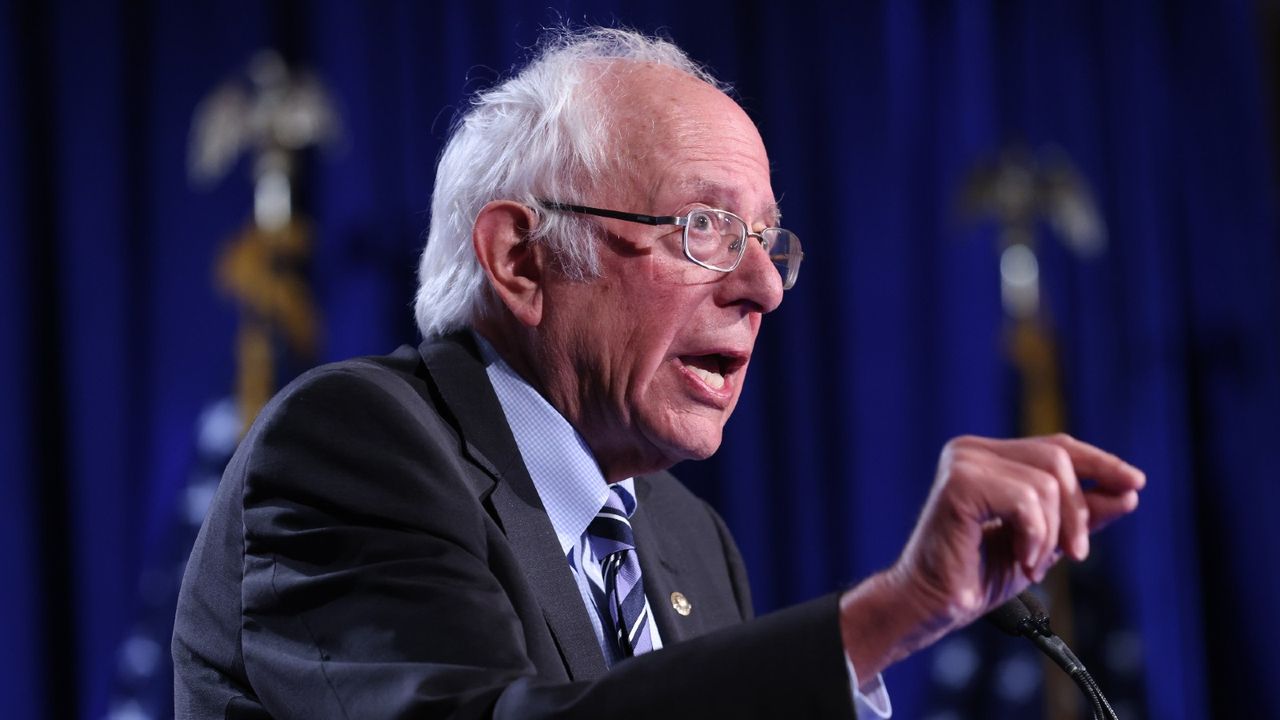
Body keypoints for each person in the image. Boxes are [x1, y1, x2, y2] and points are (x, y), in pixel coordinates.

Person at [172, 27, 1145, 719]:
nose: (763, 286)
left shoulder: (682, 535)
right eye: (705, 229)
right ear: (519, 260)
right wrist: (885, 615)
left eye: (768, 242)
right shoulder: (356, 445)